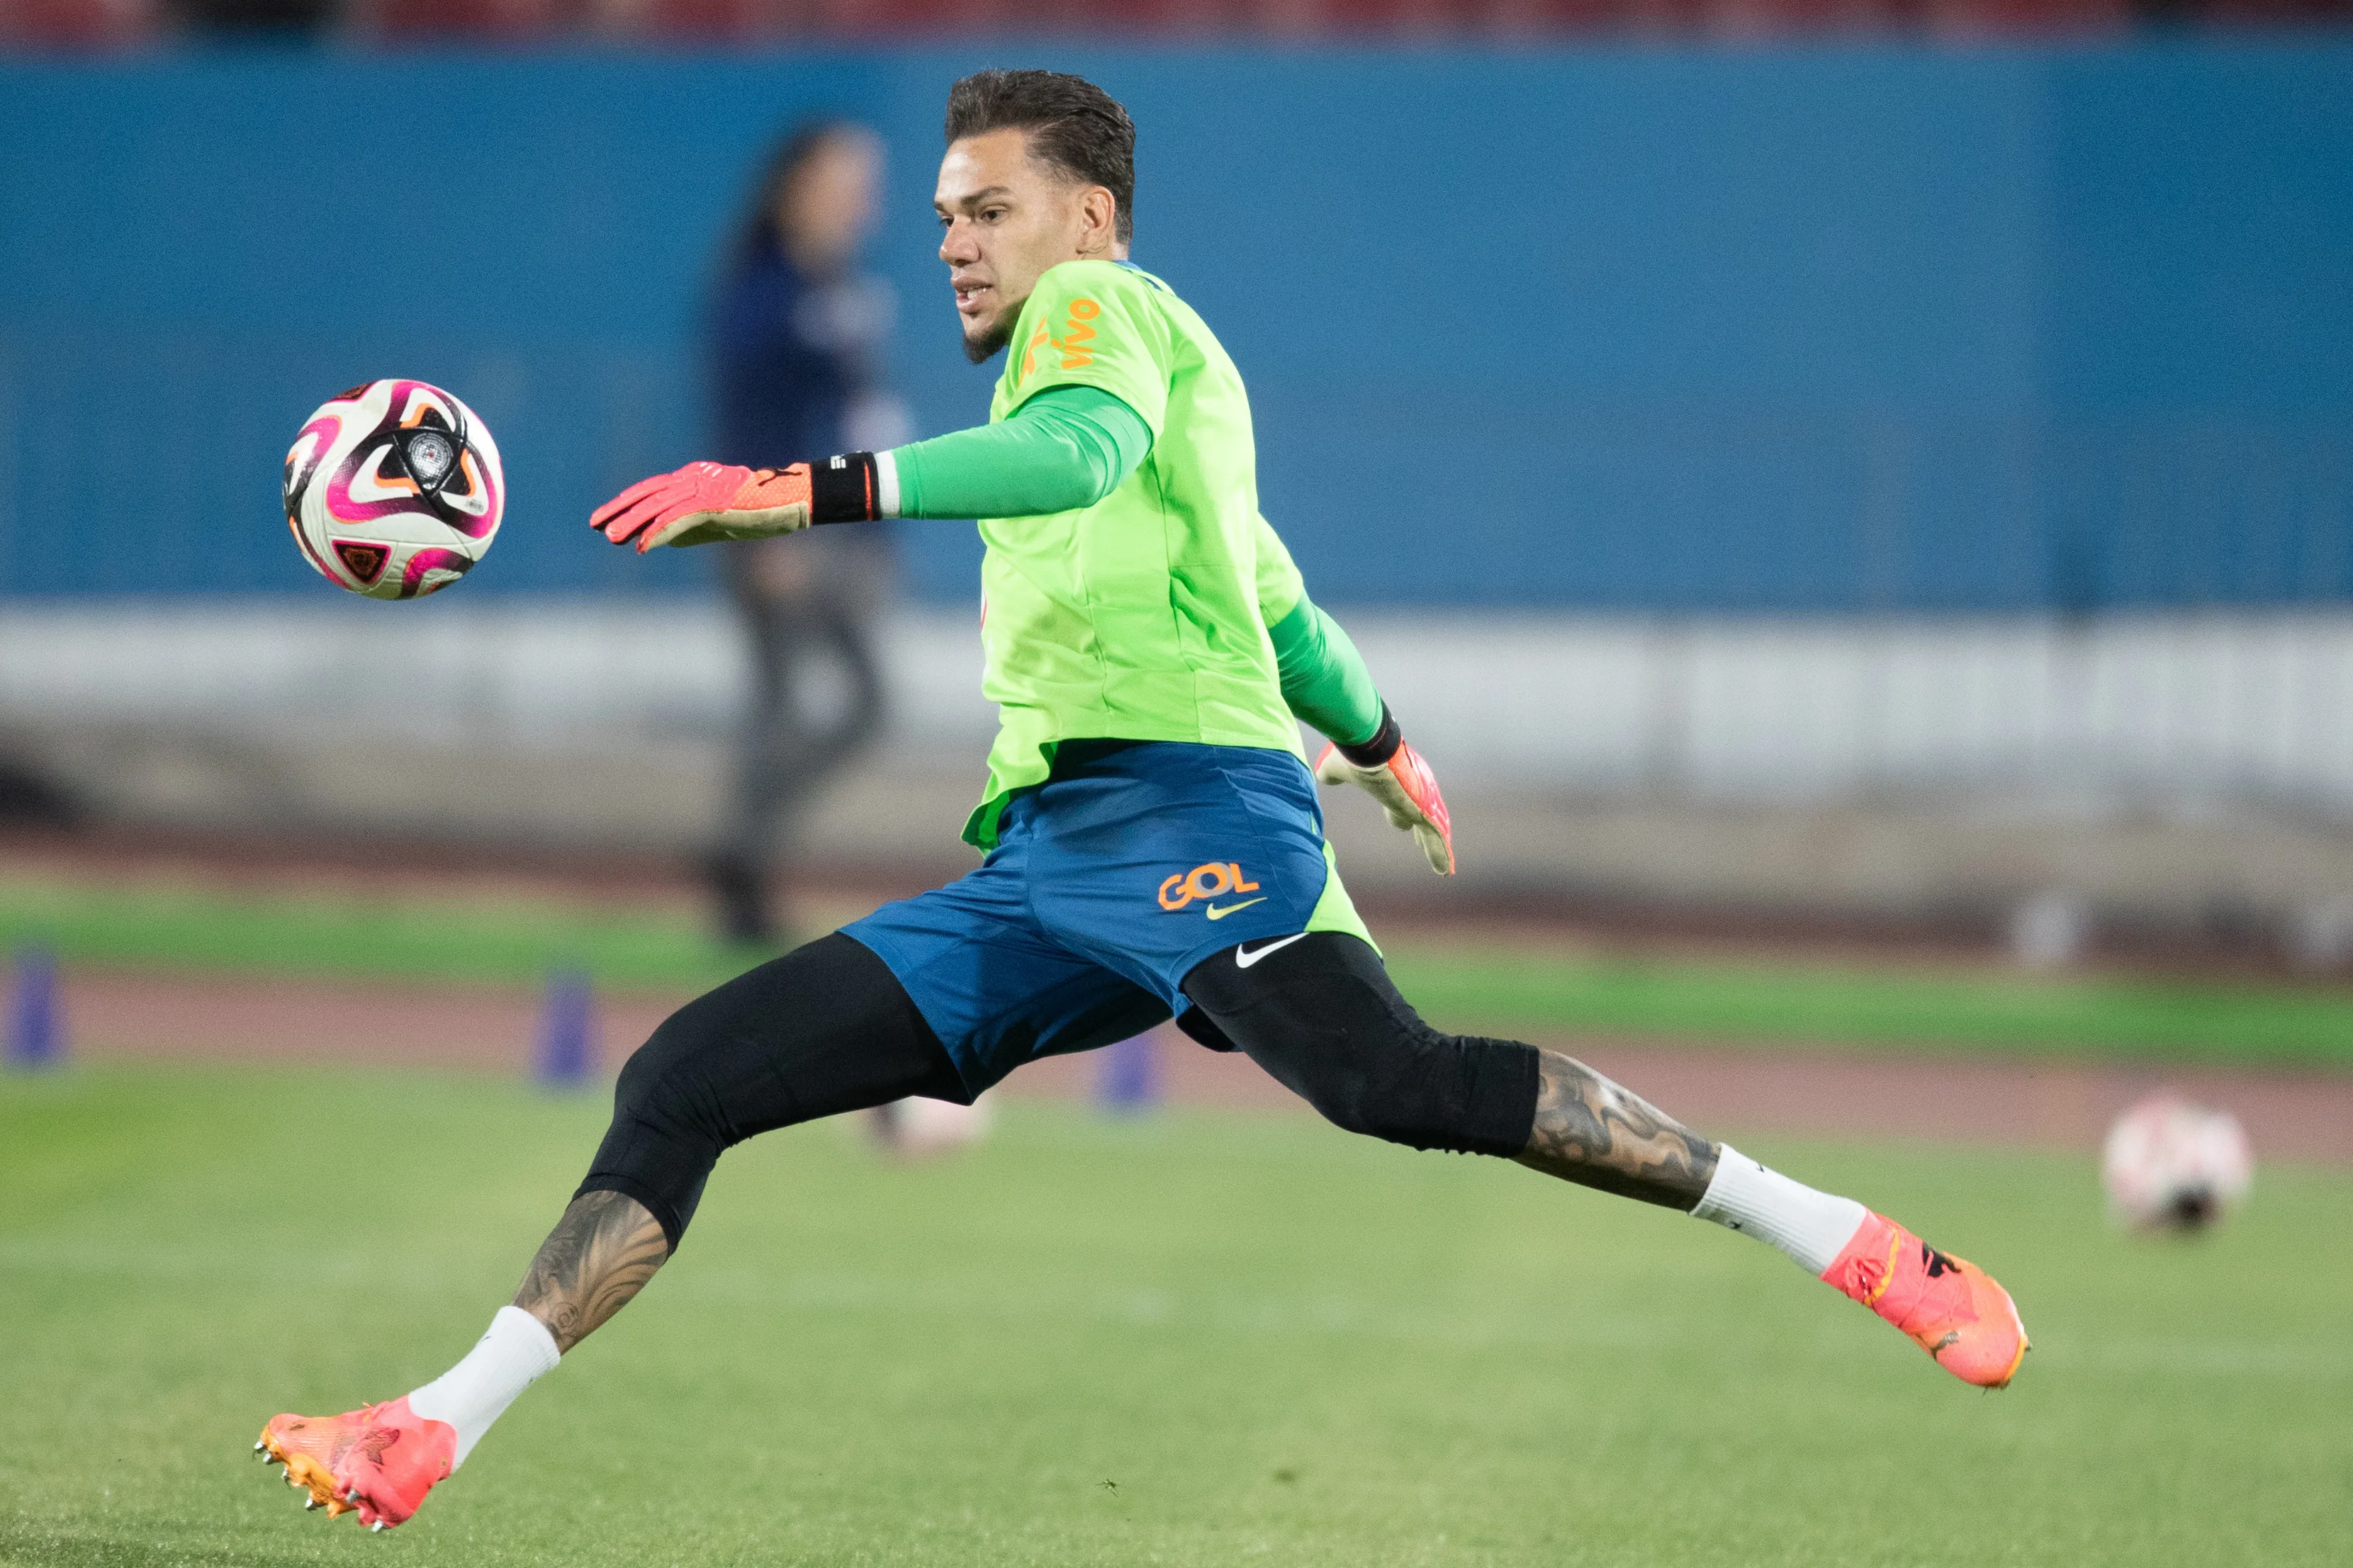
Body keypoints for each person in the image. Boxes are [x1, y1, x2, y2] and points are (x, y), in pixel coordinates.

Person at [256, 70, 2027, 1532]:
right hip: (1045, 871)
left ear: (1085, 219)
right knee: (681, 1080)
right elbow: (1269, 591)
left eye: (986, 209)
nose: (950, 241)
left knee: (1387, 1084)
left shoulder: (1102, 328)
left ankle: (1844, 1237)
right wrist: (1385, 734)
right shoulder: (1158, 384)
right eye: (941, 214)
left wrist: (798, 490)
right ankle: (433, 1428)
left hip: (1194, 823)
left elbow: (1076, 458)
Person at [704, 119, 906, 945]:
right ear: (797, 187)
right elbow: (746, 414)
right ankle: (739, 860)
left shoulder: (840, 288)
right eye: (846, 179)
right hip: (784, 527)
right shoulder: (762, 292)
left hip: (839, 525)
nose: (863, 199)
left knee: (825, 707)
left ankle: (740, 851)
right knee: (806, 704)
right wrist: (764, 534)